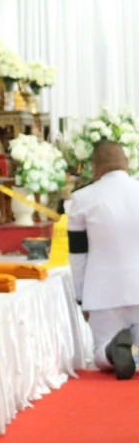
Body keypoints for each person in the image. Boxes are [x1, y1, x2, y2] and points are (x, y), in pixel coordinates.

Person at [68, 141, 139, 378]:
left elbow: (78, 255)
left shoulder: (81, 199)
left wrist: (80, 297)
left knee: (99, 350)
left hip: (103, 293)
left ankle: (110, 352)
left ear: (95, 168)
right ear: (127, 163)